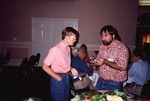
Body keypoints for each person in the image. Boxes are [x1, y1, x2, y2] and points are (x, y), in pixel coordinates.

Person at [42, 27, 79, 101]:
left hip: (67, 78)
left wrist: (71, 69)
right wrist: (58, 78)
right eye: (73, 38)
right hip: (58, 78)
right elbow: (44, 66)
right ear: (66, 37)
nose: (75, 40)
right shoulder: (55, 49)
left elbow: (65, 64)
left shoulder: (68, 48)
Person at [95, 25, 129, 91]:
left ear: (113, 35)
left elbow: (122, 67)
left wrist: (105, 61)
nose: (103, 39)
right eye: (102, 36)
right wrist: (96, 61)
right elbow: (99, 59)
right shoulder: (102, 46)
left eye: (105, 36)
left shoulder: (122, 48)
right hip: (100, 80)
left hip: (114, 83)